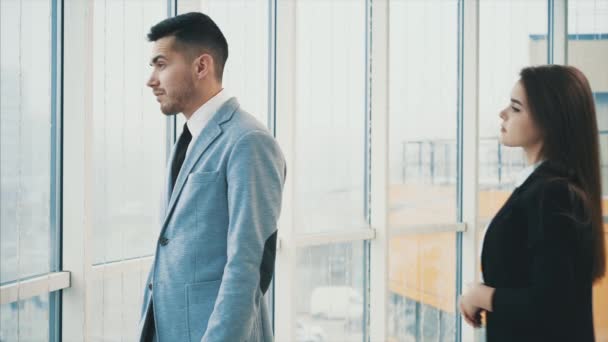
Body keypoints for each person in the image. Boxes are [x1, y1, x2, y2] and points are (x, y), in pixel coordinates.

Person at [136, 12, 286, 342]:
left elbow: (248, 264)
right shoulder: (188, 140)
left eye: (161, 64)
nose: (151, 79)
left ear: (201, 66)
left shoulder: (248, 141)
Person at [459, 65, 605, 341]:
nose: (503, 113)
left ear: (550, 120)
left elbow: (552, 305)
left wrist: (481, 295)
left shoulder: (553, 194)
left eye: (516, 108)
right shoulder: (544, 187)